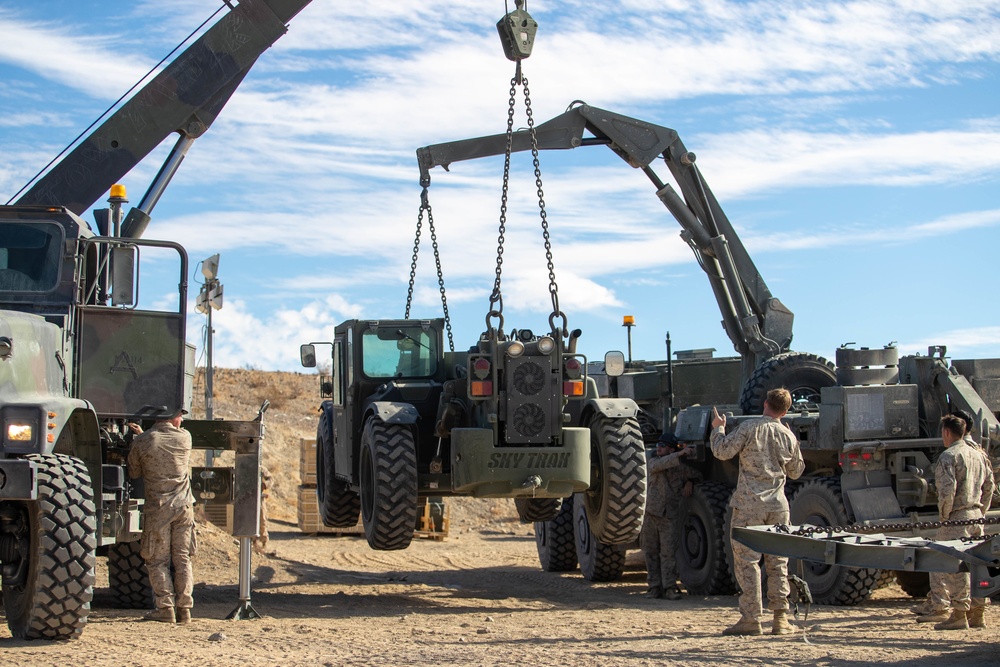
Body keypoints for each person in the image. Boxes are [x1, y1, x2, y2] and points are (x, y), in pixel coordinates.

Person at [710, 388, 804, 636]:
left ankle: (751, 619)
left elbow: (722, 452)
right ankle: (781, 620)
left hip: (749, 505)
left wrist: (718, 428)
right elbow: (796, 471)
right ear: (785, 411)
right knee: (778, 562)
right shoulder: (788, 435)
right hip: (778, 506)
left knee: (747, 562)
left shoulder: (750, 428)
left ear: (765, 404)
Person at [916, 413, 994, 630]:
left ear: (947, 432)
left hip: (956, 518)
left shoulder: (948, 456)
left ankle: (959, 614)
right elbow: (990, 487)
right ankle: (977, 614)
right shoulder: (978, 454)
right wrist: (981, 510)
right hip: (976, 516)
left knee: (954, 567)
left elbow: (947, 492)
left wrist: (944, 517)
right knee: (977, 565)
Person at [127, 408, 197, 624]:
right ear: (173, 417)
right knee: (182, 559)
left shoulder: (143, 441)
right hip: (184, 508)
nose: (182, 419)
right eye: (180, 415)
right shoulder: (185, 437)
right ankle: (184, 609)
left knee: (158, 561)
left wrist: (138, 438)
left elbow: (134, 472)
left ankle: (165, 608)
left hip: (159, 510)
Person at [640, 432, 700, 600]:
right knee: (650, 552)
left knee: (668, 554)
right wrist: (680, 454)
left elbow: (697, 475)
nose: (659, 448)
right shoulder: (653, 462)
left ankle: (670, 588)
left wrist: (691, 482)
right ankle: (654, 587)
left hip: (668, 515)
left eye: (663, 446)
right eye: (658, 445)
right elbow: (658, 466)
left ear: (671, 449)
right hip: (651, 513)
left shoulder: (680, 469)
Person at [253, 465, 272, 554]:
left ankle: (264, 543)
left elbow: (270, 479)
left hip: (259, 498)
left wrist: (265, 485)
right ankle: (253, 542)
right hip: (246, 498)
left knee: (262, 519)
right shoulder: (243, 465)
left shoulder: (261, 469)